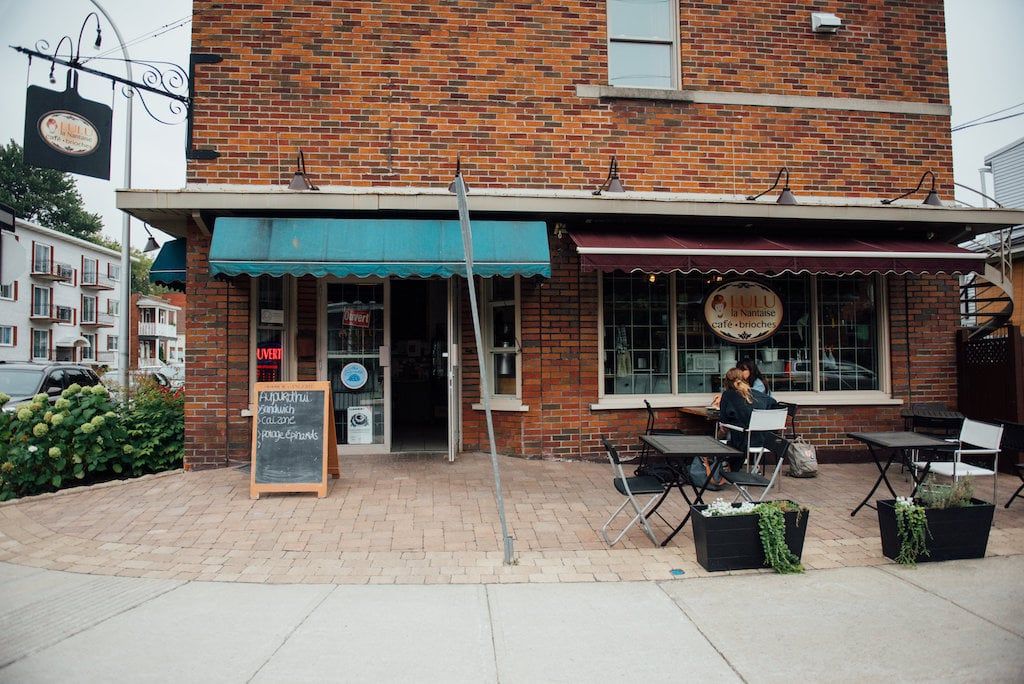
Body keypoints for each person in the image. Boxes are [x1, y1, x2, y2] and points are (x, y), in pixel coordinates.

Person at [717, 367, 780, 471]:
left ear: (726, 382)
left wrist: (717, 437)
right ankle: (752, 466)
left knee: (722, 432)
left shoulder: (728, 395)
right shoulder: (759, 395)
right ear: (744, 380)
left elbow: (724, 422)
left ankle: (724, 466)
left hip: (743, 441)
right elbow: (775, 405)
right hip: (765, 441)